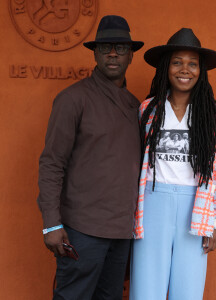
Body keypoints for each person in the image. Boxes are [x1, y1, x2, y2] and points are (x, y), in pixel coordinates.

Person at [37, 15, 143, 300]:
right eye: (105, 47)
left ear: (131, 55)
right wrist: (52, 223)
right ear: (95, 52)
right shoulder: (73, 99)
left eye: (120, 48)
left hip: (122, 232)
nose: (112, 54)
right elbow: (51, 163)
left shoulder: (136, 107)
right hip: (81, 230)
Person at [130, 28, 216, 300]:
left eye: (192, 63)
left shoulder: (214, 114)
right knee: (145, 289)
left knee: (187, 291)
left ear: (201, 71)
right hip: (152, 203)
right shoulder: (148, 110)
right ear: (166, 67)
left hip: (195, 207)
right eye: (177, 62)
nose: (184, 69)